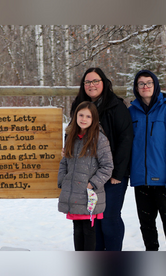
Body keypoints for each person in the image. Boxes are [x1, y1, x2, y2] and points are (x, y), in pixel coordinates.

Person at [69, 68, 133, 251]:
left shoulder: (116, 106)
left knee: (109, 217)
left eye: (95, 81)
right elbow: (72, 133)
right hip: (88, 176)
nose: (92, 85)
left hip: (112, 174)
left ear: (104, 82)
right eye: (87, 82)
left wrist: (118, 173)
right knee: (93, 220)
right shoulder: (79, 106)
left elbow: (126, 139)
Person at [129, 70, 166, 251]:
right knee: (146, 227)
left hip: (164, 182)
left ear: (155, 86)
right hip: (141, 181)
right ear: (136, 88)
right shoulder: (131, 112)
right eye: (141, 83)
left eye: (149, 83)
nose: (145, 86)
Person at [58, 101, 113, 251]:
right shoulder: (71, 136)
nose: (84, 119)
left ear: (94, 119)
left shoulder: (99, 139)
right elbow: (65, 161)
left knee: (88, 231)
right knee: (77, 230)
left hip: (88, 194)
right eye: (81, 115)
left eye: (88, 116)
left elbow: (108, 166)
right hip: (73, 194)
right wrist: (63, 180)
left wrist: (92, 184)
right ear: (75, 116)